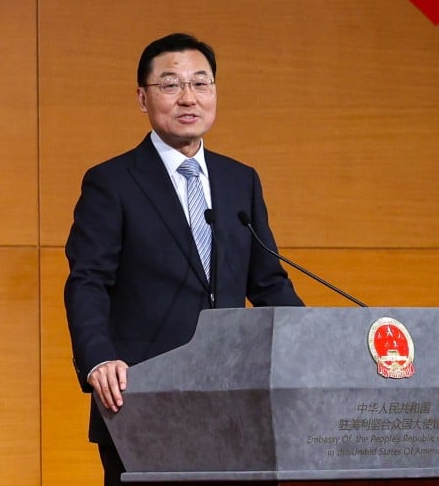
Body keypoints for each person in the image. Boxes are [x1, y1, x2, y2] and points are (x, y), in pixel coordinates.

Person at [64, 32, 304, 485]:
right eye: (171, 85)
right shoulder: (112, 182)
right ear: (143, 97)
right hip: (143, 397)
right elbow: (87, 281)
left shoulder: (241, 181)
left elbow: (268, 283)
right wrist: (99, 359)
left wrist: (318, 348)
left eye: (201, 83)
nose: (188, 97)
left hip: (236, 402)